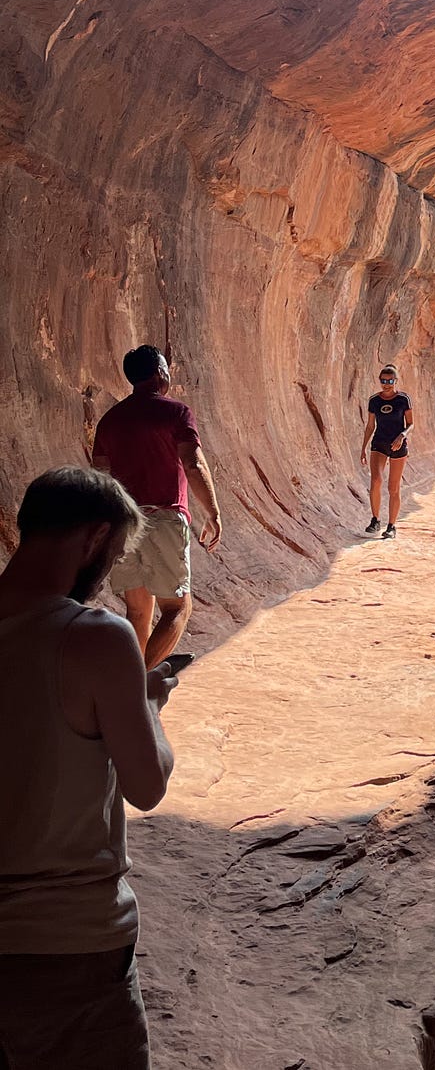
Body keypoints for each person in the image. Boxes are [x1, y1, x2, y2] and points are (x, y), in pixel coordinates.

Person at [0, 467, 178, 1070]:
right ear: (95, 539)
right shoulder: (94, 637)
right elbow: (147, 785)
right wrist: (147, 705)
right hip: (69, 940)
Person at [91, 346, 223, 670]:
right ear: (160, 373)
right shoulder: (176, 413)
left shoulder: (109, 421)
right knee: (178, 609)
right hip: (163, 516)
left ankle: (133, 691)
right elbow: (193, 464)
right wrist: (213, 513)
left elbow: (100, 478)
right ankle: (136, 685)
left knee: (137, 613)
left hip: (124, 524)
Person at [360, 363, 413, 539]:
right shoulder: (374, 400)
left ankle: (391, 526)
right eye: (383, 380)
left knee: (393, 487)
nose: (387, 384)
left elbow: (411, 424)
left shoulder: (403, 399)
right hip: (379, 443)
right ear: (379, 381)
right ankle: (375, 520)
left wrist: (402, 436)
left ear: (396, 380)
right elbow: (370, 426)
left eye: (390, 380)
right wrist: (363, 448)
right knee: (375, 481)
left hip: (398, 444)